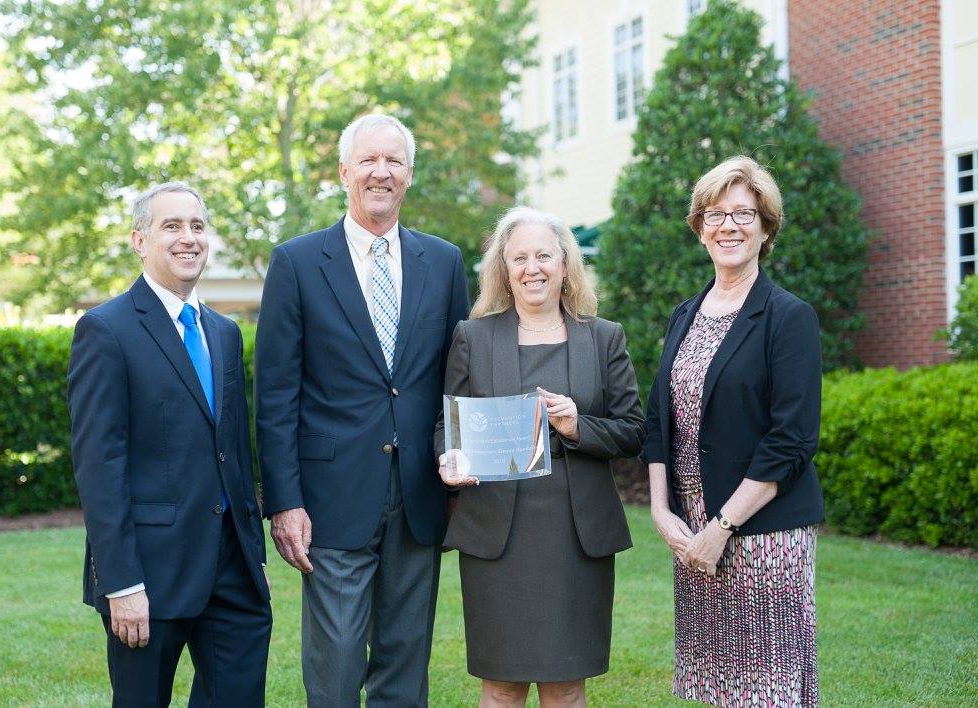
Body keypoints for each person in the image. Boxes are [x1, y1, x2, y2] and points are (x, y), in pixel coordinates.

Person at [255, 113, 469, 707]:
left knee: (406, 661)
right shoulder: (296, 263)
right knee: (337, 662)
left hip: (420, 493)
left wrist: (455, 471)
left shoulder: (444, 261)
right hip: (329, 497)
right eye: (369, 160)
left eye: (394, 161)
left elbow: (458, 379)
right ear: (345, 171)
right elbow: (275, 395)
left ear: (409, 175)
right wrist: (285, 501)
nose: (381, 172)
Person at [67, 182, 272, 706]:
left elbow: (232, 448)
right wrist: (121, 584)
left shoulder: (224, 331)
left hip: (234, 570)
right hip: (149, 575)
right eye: (172, 226)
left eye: (198, 226)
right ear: (139, 240)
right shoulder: (106, 330)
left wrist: (253, 549)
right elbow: (99, 465)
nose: (189, 238)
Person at [434, 207, 645, 708]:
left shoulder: (603, 337)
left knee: (566, 686)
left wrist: (579, 426)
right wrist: (449, 457)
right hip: (497, 537)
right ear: (503, 270)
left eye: (544, 255)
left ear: (565, 264)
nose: (533, 267)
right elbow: (448, 425)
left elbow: (634, 431)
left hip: (575, 538)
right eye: (520, 257)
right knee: (501, 685)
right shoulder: (474, 337)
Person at [643, 156, 824, 706]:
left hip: (762, 534)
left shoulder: (788, 317)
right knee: (716, 687)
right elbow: (659, 421)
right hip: (692, 531)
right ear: (700, 229)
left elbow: (791, 440)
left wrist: (722, 527)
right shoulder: (685, 316)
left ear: (766, 228)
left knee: (765, 689)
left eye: (744, 214)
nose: (730, 226)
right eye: (717, 214)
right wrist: (661, 512)